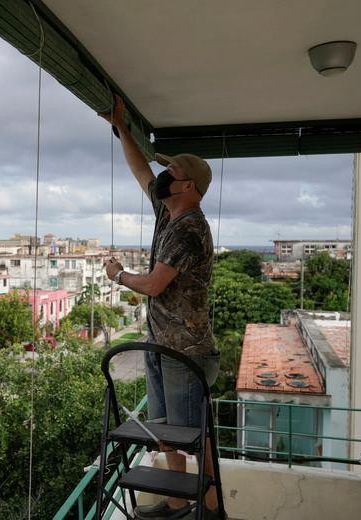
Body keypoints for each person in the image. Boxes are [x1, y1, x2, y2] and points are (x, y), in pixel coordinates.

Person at [100, 96, 223, 519]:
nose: (164, 176)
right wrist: (121, 126)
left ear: (189, 186)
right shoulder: (167, 215)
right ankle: (175, 507)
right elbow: (140, 171)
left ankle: (208, 511)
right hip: (163, 346)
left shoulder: (189, 228)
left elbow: (153, 285)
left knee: (195, 437)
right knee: (166, 437)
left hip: (186, 354)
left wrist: (117, 275)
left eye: (173, 171)